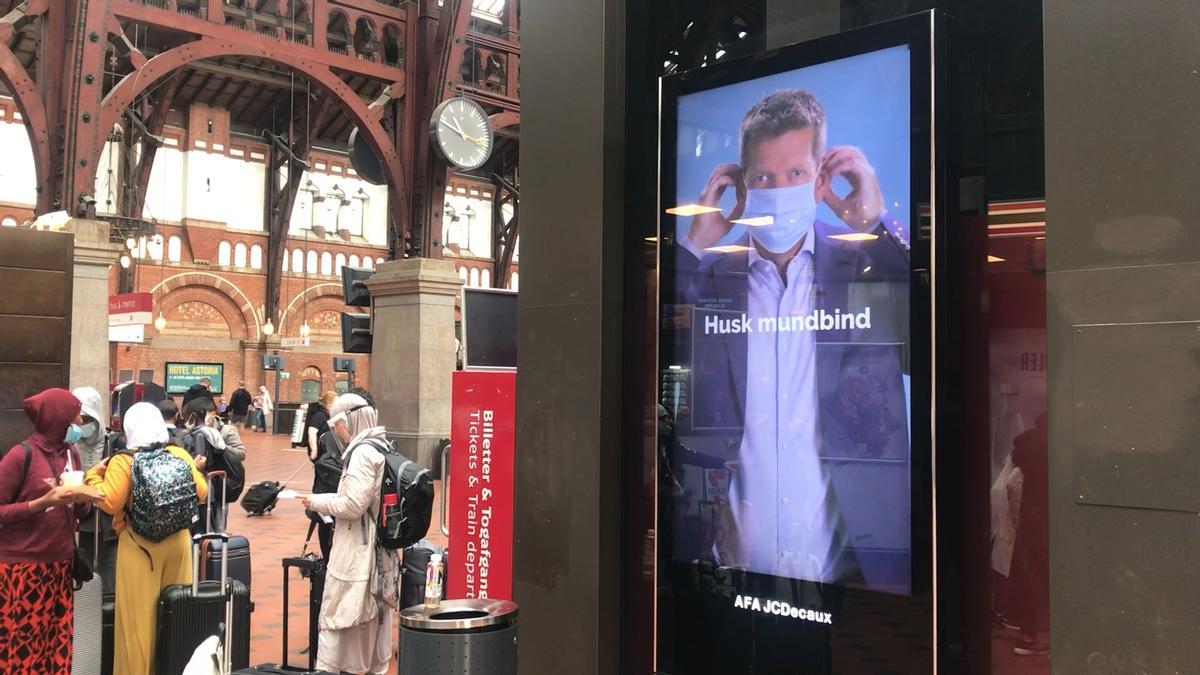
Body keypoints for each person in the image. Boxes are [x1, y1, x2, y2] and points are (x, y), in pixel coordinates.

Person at [678, 89, 910, 584]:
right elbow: (651, 347)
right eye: (763, 177)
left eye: (796, 175)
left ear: (820, 179)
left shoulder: (862, 265)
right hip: (730, 571)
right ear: (743, 186)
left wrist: (873, 225)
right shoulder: (710, 275)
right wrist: (694, 242)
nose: (779, 189)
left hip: (856, 571)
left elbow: (927, 335)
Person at [85, 402, 208, 675]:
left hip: (139, 547)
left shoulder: (123, 460)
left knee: (137, 626)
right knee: (177, 614)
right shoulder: (178, 453)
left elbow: (111, 501)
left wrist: (93, 476)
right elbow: (201, 492)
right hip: (178, 543)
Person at [300, 394, 400, 675]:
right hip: (378, 549)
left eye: (338, 423)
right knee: (372, 615)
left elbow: (352, 505)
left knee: (347, 615)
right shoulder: (382, 445)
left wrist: (316, 501)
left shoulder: (361, 453)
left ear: (349, 420)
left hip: (359, 549)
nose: (337, 431)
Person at [0, 388, 95, 673]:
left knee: (57, 647)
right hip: (23, 570)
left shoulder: (71, 456)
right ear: (57, 419)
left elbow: (76, 513)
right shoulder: (21, 456)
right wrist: (42, 502)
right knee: (21, 649)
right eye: (74, 416)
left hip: (60, 567)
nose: (79, 422)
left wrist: (84, 501)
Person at [73, 386, 119, 595]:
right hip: (79, 522)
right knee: (81, 576)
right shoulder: (68, 444)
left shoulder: (114, 443)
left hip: (107, 523)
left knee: (108, 577)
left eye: (87, 418)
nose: (83, 424)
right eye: (79, 418)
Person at [181, 397, 247, 532]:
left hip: (221, 483)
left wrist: (221, 448)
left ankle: (217, 547)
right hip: (203, 484)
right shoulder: (193, 433)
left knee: (219, 523)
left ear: (211, 413)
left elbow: (241, 453)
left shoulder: (226, 430)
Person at [305, 391, 336, 462]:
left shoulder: (329, 416)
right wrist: (314, 450)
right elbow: (311, 432)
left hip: (326, 451)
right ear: (328, 404)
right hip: (321, 452)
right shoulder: (319, 416)